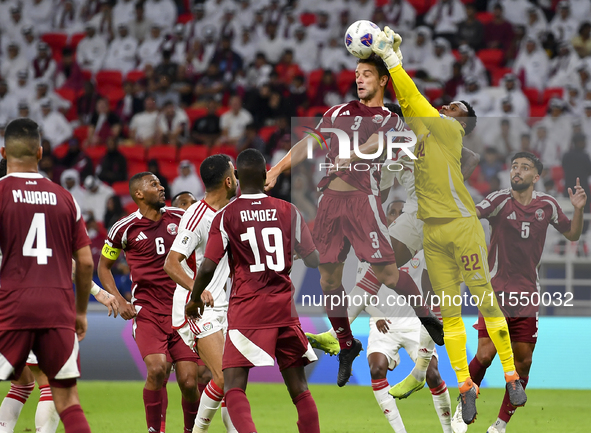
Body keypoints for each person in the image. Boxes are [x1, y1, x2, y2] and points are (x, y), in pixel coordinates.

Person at [372, 27, 526, 425]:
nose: (447, 108)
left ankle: (510, 375)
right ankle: (465, 387)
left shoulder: (450, 131)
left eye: (455, 107)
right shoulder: (425, 131)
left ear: (464, 122)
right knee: (450, 313)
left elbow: (415, 98)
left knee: (484, 297)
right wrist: (393, 64)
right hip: (433, 230)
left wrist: (392, 61)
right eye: (449, 105)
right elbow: (407, 104)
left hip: (461, 225)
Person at [265, 54, 444, 388]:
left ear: (382, 81)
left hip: (364, 201)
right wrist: (276, 169)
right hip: (330, 202)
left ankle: (425, 315)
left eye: (367, 75)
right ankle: (346, 344)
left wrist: (354, 153)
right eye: (357, 74)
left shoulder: (391, 118)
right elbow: (310, 142)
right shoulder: (337, 112)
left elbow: (379, 142)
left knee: (387, 274)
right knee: (329, 282)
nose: (359, 79)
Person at [185, 148, 321, 433]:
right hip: (284, 308)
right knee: (300, 389)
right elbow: (313, 259)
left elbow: (208, 266)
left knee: (234, 385)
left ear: (236, 177)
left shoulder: (226, 216)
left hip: (247, 309)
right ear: (264, 174)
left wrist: (195, 297)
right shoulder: (289, 210)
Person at [451, 152, 587, 433]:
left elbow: (573, 235)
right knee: (486, 354)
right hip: (495, 292)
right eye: (514, 166)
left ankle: (499, 425)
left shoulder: (547, 205)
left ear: (536, 177)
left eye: (525, 168)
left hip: (527, 295)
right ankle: (463, 404)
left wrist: (578, 209)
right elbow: (474, 214)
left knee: (523, 360)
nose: (518, 171)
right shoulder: (500, 200)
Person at [308, 201, 453, 433]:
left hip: (414, 322)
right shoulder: (370, 251)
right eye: (391, 212)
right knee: (376, 369)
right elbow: (361, 290)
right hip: (382, 323)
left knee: (432, 374)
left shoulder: (421, 246)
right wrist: (376, 314)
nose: (396, 216)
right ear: (385, 219)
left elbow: (431, 285)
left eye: (400, 212)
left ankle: (449, 430)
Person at [0, 118, 93, 433]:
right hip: (57, 305)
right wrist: (80, 311)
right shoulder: (65, 197)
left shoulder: (0, 192)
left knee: (23, 385)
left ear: (3, 152)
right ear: (40, 152)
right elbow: (85, 262)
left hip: (10, 304)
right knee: (65, 397)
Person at [97, 172, 200, 433]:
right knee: (157, 369)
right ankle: (156, 430)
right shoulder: (124, 228)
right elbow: (104, 267)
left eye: (160, 183)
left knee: (189, 381)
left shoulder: (181, 219)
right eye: (154, 184)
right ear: (139, 194)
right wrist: (118, 300)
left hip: (182, 311)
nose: (162, 187)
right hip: (148, 312)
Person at [164, 155, 238, 433]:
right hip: (197, 306)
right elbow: (170, 264)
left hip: (225, 305)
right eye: (235, 173)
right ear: (228, 180)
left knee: (234, 381)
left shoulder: (230, 213)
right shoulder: (196, 216)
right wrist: (199, 289)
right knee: (223, 375)